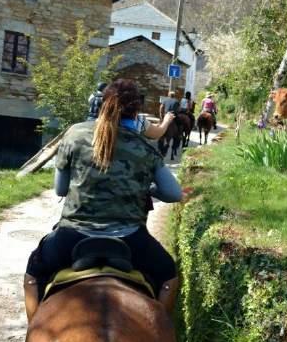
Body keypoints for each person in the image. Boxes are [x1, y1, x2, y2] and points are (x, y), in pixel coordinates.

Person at [24, 79, 183, 323]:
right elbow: (173, 194)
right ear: (136, 110)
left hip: (72, 234)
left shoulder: (75, 133)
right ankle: (160, 326)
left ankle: (34, 327)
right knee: (169, 276)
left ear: (103, 103)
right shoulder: (145, 147)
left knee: (33, 274)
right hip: (130, 237)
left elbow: (60, 189)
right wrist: (146, 187)